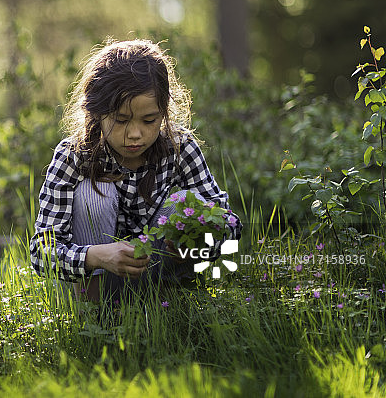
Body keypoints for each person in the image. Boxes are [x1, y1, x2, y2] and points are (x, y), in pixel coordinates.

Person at [29, 38, 242, 302]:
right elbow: (41, 252)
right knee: (94, 195)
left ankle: (169, 307)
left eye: (149, 120)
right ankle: (97, 316)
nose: (135, 134)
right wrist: (98, 255)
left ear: (163, 112)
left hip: (159, 278)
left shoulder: (179, 147)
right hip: (95, 277)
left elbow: (229, 223)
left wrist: (199, 245)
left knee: (187, 205)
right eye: (121, 120)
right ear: (98, 114)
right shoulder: (74, 155)